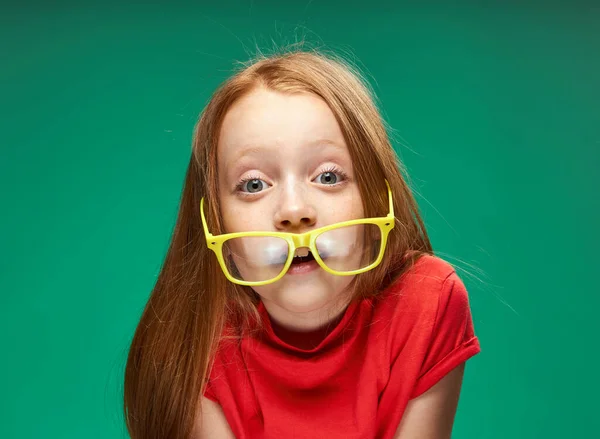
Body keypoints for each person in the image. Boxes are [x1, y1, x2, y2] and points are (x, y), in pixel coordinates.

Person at [124, 48, 481, 439]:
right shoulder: (192, 336)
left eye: (328, 177)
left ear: (377, 201)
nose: (294, 212)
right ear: (216, 227)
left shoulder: (428, 302)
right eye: (254, 184)